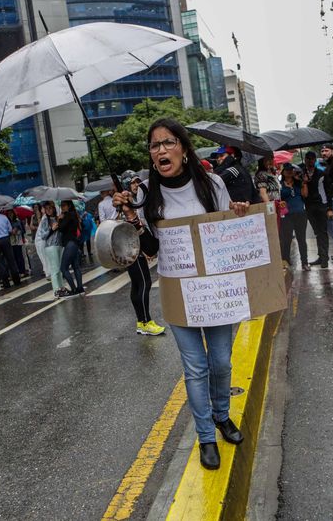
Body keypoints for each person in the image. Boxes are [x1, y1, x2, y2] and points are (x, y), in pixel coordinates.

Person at [112, 117, 250, 471]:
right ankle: (206, 437)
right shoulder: (146, 194)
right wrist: (132, 217)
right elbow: (150, 249)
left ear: (184, 149)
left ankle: (221, 415)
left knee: (221, 362)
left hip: (214, 290)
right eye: (154, 145)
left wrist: (238, 214)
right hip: (178, 291)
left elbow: (228, 232)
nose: (161, 150)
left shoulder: (212, 184)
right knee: (195, 367)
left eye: (168, 142)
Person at [120, 171, 165, 335]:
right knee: (144, 283)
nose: (136, 185)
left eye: (137, 182)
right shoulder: (123, 203)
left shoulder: (135, 200)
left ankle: (141, 322)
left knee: (137, 284)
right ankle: (146, 321)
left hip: (132, 248)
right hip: (132, 249)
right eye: (132, 182)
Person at [301, 151, 331, 268]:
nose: (310, 160)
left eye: (312, 158)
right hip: (309, 206)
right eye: (308, 158)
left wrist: (329, 208)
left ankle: (324, 258)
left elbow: (328, 191)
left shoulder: (321, 173)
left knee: (322, 232)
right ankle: (321, 256)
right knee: (317, 232)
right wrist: (303, 181)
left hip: (321, 205)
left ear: (315, 160)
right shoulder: (301, 173)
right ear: (305, 160)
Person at [279, 164, 310, 270]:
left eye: (291, 170)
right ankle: (286, 261)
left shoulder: (298, 183)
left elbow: (305, 195)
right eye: (287, 170)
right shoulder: (279, 185)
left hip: (300, 214)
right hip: (287, 215)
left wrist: (304, 183)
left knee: (301, 239)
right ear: (283, 172)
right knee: (286, 240)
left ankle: (305, 262)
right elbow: (278, 199)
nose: (289, 172)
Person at [55, 200, 85, 297]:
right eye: (61, 205)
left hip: (70, 244)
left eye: (64, 205)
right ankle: (80, 288)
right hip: (74, 243)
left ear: (69, 206)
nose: (62, 207)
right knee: (76, 266)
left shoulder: (68, 215)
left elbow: (61, 228)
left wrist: (59, 219)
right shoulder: (73, 214)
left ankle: (74, 289)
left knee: (63, 268)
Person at [37, 201, 65, 296]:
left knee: (60, 269)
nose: (48, 210)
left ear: (54, 208)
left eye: (50, 208)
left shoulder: (58, 218)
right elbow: (43, 236)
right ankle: (56, 290)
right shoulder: (45, 220)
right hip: (50, 246)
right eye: (46, 209)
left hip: (59, 245)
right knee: (54, 269)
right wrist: (51, 229)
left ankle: (61, 287)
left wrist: (60, 220)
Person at [8, 211, 29, 277]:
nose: (10, 215)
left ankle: (22, 271)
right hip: (11, 242)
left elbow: (23, 231)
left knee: (20, 256)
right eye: (9, 214)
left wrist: (17, 230)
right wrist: (10, 232)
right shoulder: (7, 222)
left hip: (18, 241)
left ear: (13, 214)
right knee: (14, 258)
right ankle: (18, 271)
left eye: (11, 213)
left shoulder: (18, 221)